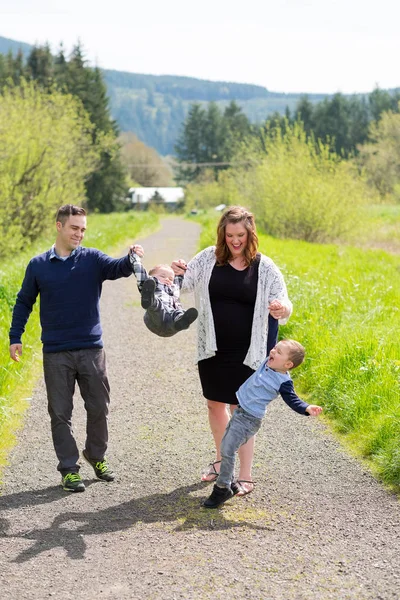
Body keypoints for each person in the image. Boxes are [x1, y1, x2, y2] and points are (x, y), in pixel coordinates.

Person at [9, 204, 135, 493]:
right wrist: (16, 336)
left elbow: (117, 268)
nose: (79, 233)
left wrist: (131, 258)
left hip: (91, 348)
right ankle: (69, 469)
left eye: (83, 229)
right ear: (59, 226)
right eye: (74, 228)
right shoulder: (38, 265)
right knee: (60, 413)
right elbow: (24, 301)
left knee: (99, 407)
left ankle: (96, 455)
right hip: (56, 351)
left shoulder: (92, 259)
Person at [172, 206, 292, 496]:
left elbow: (285, 304)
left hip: (250, 351)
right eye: (229, 235)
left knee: (242, 410)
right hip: (213, 348)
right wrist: (176, 271)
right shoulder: (208, 258)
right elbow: (184, 284)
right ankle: (219, 462)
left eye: (240, 235)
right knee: (215, 404)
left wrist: (280, 308)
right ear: (222, 234)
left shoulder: (265, 267)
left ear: (250, 234)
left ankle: (246, 474)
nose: (235, 241)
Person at [203, 339, 323, 508]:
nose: (273, 352)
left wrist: (307, 407)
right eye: (275, 348)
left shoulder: (283, 382)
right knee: (225, 446)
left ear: (288, 364)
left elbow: (293, 400)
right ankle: (231, 484)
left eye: (279, 352)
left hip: (249, 419)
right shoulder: (268, 361)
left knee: (228, 450)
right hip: (240, 412)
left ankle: (222, 488)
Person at [130, 244, 198, 337]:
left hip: (172, 325)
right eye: (162, 276)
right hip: (155, 319)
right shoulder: (153, 282)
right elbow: (139, 270)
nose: (167, 279)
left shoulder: (174, 286)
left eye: (170, 278)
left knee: (179, 311)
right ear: (152, 276)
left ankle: (181, 321)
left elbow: (179, 276)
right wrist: (134, 256)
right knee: (157, 304)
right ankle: (149, 300)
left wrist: (182, 264)